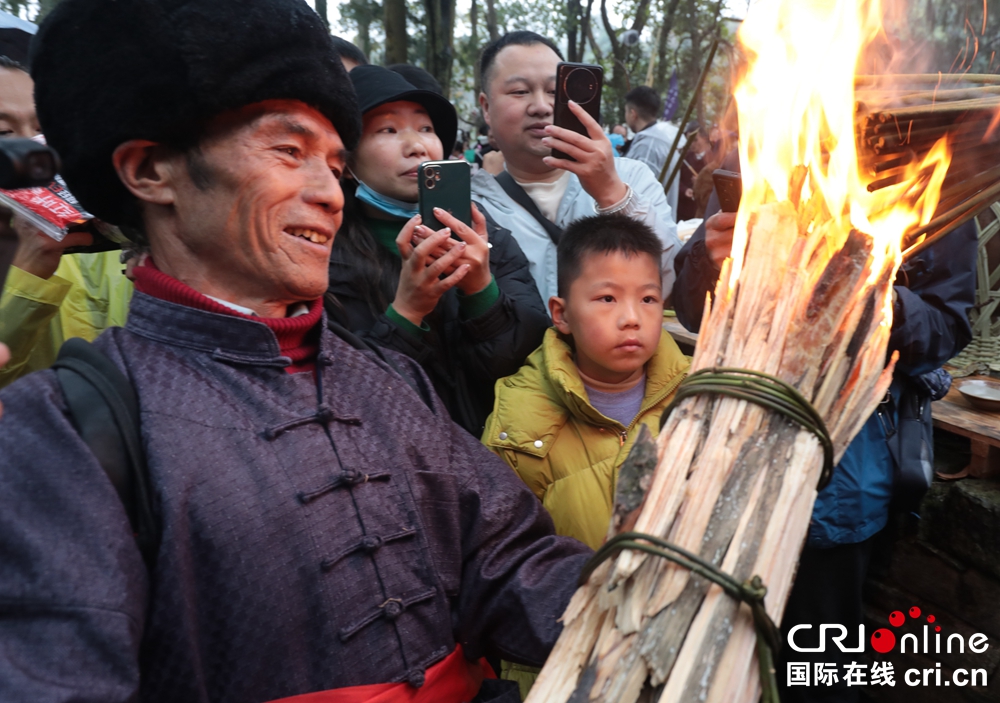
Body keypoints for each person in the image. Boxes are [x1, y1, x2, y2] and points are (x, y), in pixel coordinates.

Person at [0, 2, 592, 702]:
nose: (328, 194)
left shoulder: (390, 380)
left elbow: (512, 563)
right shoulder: (64, 431)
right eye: (288, 151)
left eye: (335, 164)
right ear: (150, 170)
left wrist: (654, 583)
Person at [672, 156, 978, 703]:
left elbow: (946, 329)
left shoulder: (940, 174)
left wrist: (873, 291)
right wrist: (709, 259)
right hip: (730, 455)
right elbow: (693, 309)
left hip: (841, 476)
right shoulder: (770, 138)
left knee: (818, 669)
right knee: (719, 653)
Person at [481, 213, 689, 698]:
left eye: (648, 298)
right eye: (607, 298)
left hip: (679, 649)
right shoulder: (520, 423)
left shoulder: (696, 401)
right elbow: (502, 558)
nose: (631, 317)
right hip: (563, 659)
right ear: (561, 314)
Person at [327, 64, 550, 436]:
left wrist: (481, 289)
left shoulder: (487, 236)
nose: (417, 145)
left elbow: (528, 368)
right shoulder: (326, 259)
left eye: (426, 128)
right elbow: (350, 401)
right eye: (388, 130)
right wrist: (407, 311)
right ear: (347, 164)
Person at [471, 31, 681, 305]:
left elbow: (669, 281)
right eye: (520, 91)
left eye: (554, 92)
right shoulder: (471, 208)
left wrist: (612, 194)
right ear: (486, 108)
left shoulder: (631, 177)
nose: (541, 107)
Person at [0, 55, 132, 387]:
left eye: (44, 128)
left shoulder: (106, 230)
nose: (34, 147)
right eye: (4, 132)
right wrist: (27, 270)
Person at [622, 85, 682, 215]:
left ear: (633, 114)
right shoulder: (661, 139)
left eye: (626, 112)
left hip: (647, 223)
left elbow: (639, 195)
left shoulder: (647, 146)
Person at [676, 122, 709, 221]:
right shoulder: (685, 157)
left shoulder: (713, 158)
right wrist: (684, 190)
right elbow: (676, 179)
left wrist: (700, 183)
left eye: (695, 140)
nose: (692, 144)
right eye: (689, 141)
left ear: (704, 138)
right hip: (685, 211)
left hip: (704, 211)